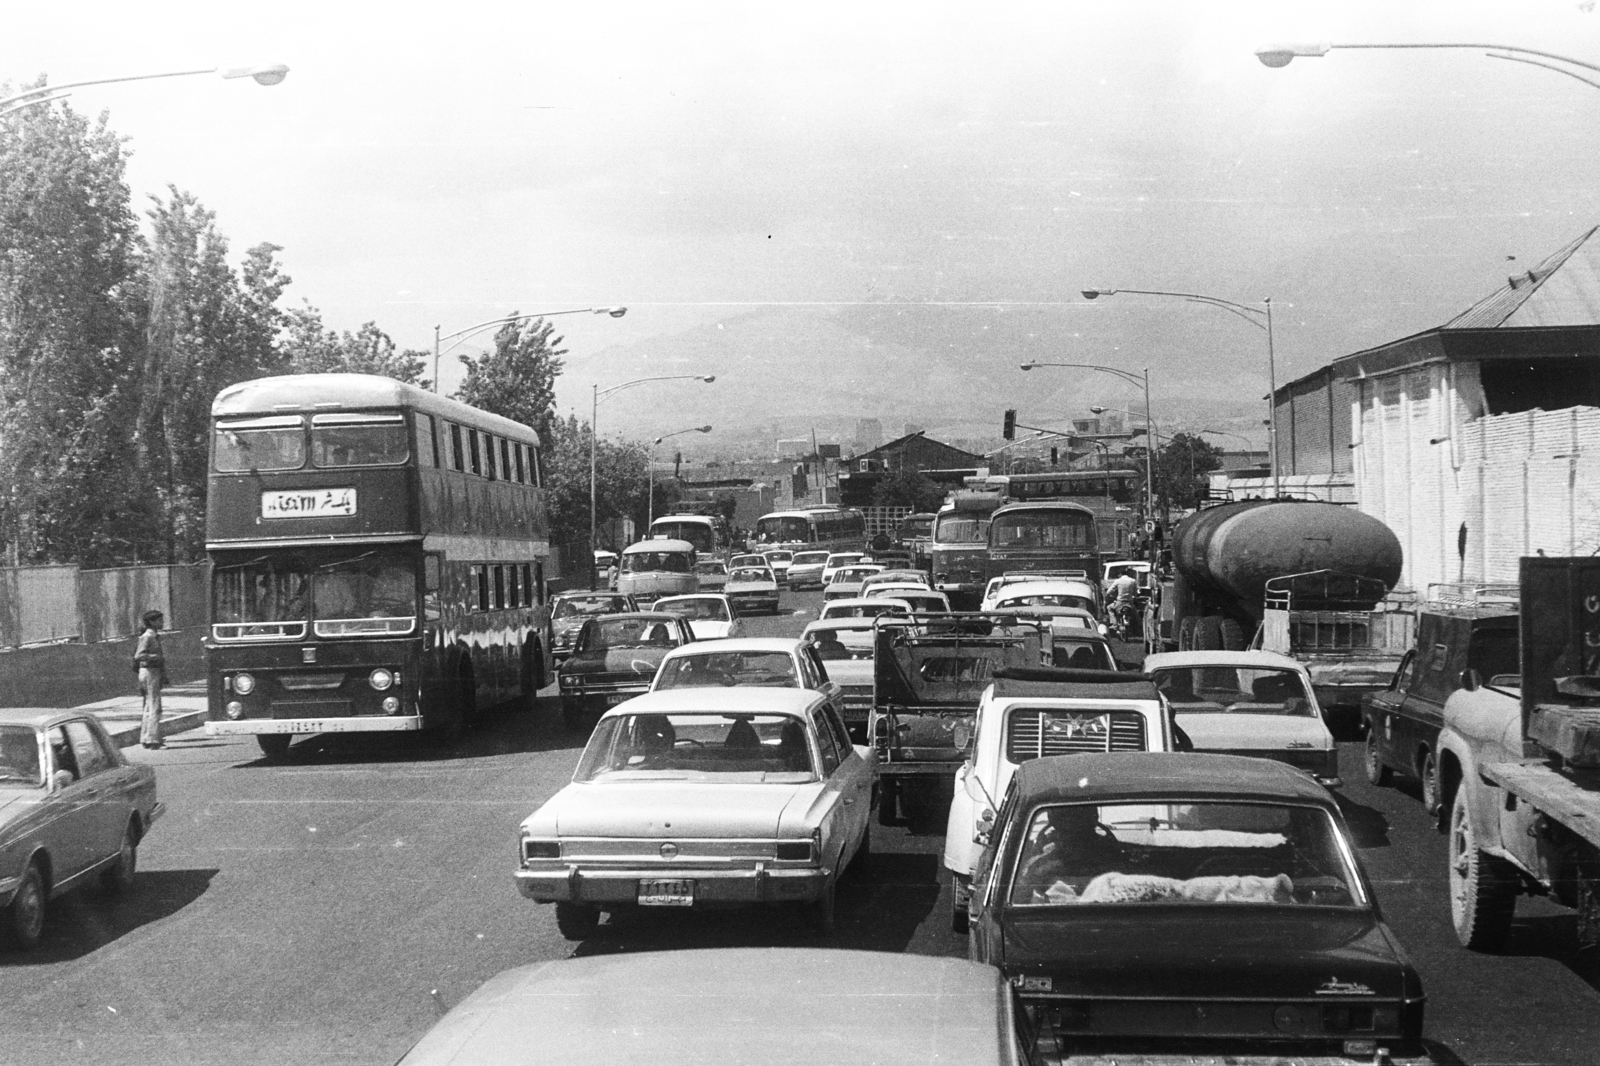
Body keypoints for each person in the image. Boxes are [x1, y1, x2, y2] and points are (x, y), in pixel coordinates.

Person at [134, 610, 168, 750]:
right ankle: (153, 740)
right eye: (159, 621)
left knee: (149, 705)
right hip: (149, 671)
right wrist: (156, 657)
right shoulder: (148, 636)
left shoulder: (153, 636)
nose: (162, 623)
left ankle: (146, 737)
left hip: (153, 672)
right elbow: (139, 655)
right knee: (154, 705)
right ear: (152, 622)